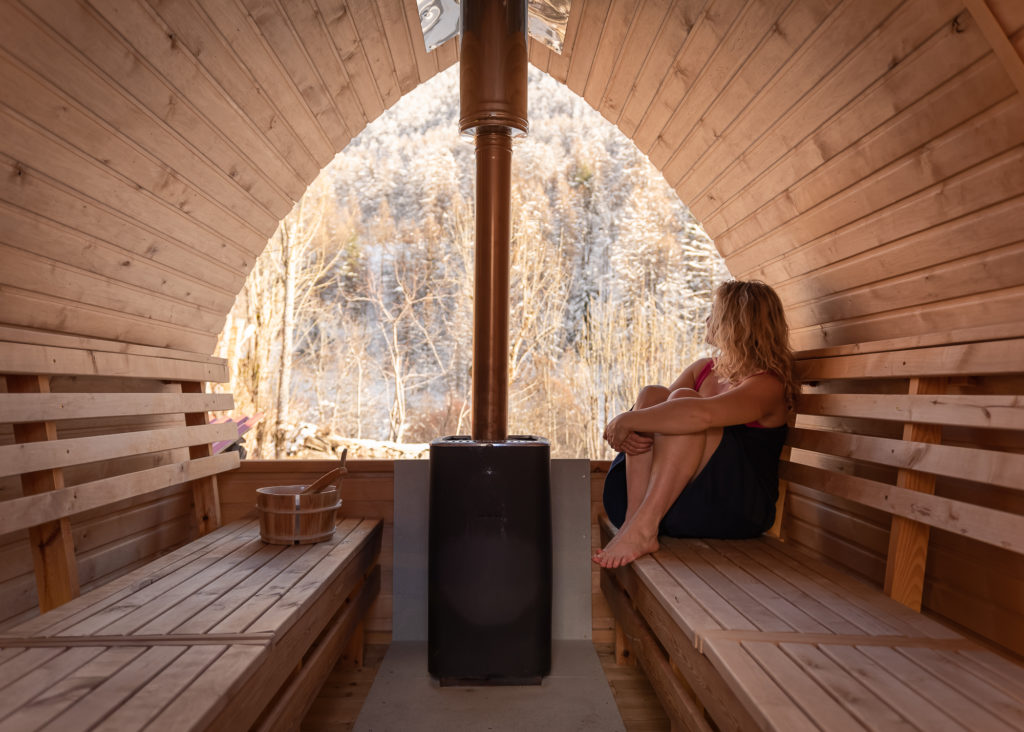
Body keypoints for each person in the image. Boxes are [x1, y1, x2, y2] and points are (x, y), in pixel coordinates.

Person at [593, 280, 799, 569]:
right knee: (653, 394)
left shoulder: (767, 384)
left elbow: (697, 416)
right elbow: (657, 415)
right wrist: (634, 421)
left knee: (685, 405)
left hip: (732, 506)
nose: (707, 320)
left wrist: (626, 419)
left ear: (736, 324)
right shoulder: (703, 369)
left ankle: (642, 527)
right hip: (669, 498)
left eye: (714, 313)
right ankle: (633, 522)